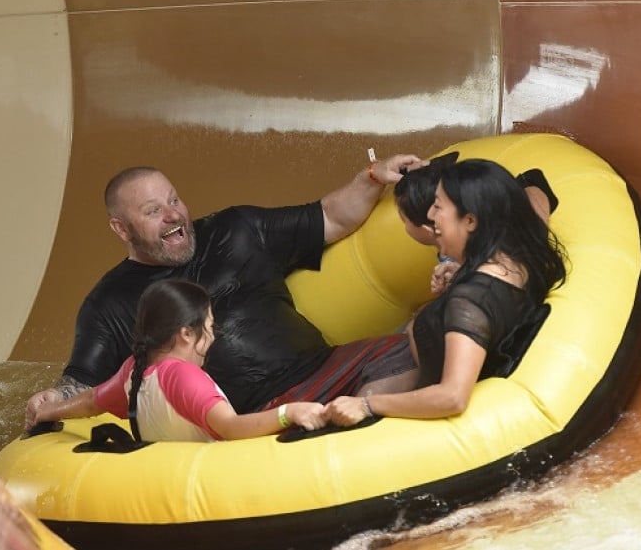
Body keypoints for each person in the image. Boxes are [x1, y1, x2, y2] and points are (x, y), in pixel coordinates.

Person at [25, 152, 427, 423]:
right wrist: (51, 400)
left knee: (412, 348)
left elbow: (330, 218)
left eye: (174, 200)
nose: (173, 216)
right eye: (153, 212)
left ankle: (361, 422)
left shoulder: (235, 230)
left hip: (323, 368)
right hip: (251, 417)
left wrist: (373, 176)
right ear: (121, 228)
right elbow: (84, 382)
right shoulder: (109, 302)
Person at [325, 159, 568, 424]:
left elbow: (452, 396)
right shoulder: (522, 257)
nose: (430, 215)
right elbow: (534, 185)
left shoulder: (470, 300)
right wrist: (463, 273)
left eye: (438, 206)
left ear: (471, 220)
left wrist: (366, 404)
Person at [24, 279, 326, 441]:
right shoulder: (181, 376)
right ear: (185, 334)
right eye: (209, 327)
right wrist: (289, 413)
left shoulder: (134, 371)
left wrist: (48, 412)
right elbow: (231, 427)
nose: (212, 337)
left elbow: (90, 402)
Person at [394, 152, 559, 294]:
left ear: (429, 228)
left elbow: (533, 181)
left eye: (404, 220)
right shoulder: (462, 254)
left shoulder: (498, 264)